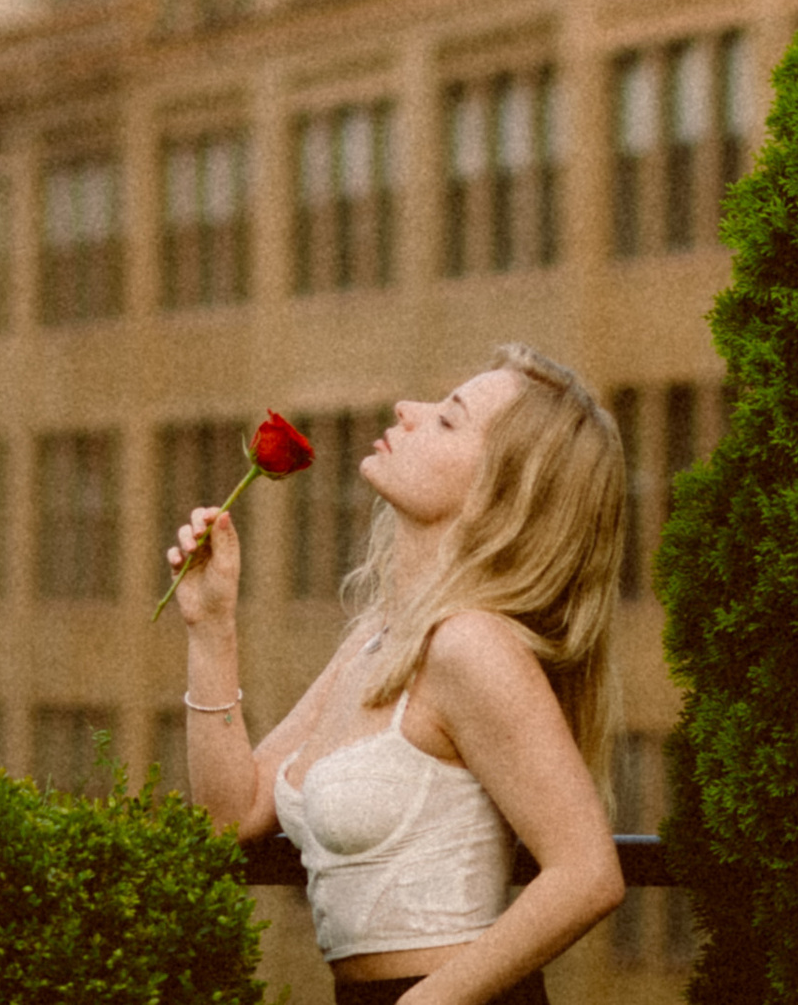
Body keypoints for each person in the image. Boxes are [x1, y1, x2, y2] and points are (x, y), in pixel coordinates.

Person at [164, 346, 627, 1004]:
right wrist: (211, 629)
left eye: (448, 419)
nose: (410, 411)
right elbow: (231, 814)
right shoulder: (379, 639)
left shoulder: (470, 644)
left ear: (503, 491)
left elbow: (588, 873)